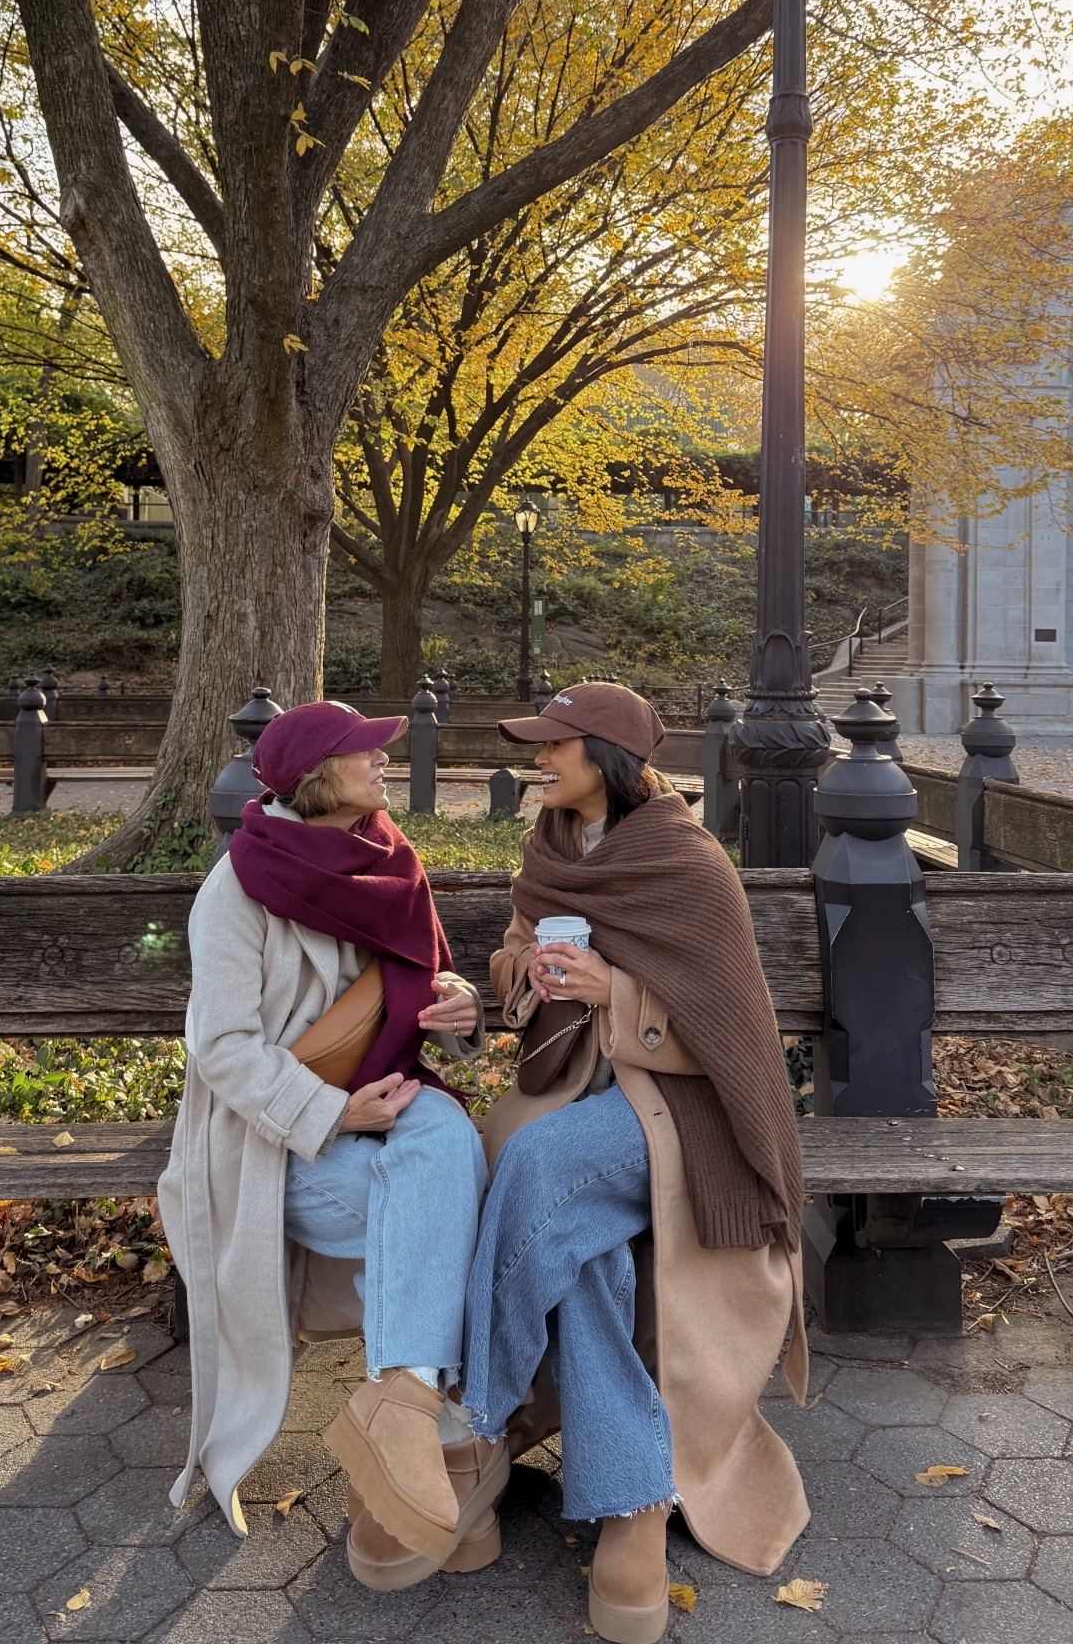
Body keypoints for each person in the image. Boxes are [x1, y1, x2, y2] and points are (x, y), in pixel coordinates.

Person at [463, 682, 809, 1644]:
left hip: (682, 1109)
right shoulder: (551, 849)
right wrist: (524, 972)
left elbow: (733, 1031)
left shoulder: (686, 864)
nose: (537, 760)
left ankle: (471, 1423)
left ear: (604, 757)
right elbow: (509, 959)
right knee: (588, 1258)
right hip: (575, 1087)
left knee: (537, 1170)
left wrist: (618, 990)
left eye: (552, 746)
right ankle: (633, 1504)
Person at [158, 699, 508, 1587]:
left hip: (393, 1101)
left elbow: (424, 981)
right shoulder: (239, 888)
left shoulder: (389, 857)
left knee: (447, 1142)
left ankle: (401, 1411)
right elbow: (222, 1049)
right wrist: (334, 1115)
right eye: (369, 753)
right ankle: (455, 1438)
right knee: (446, 1204)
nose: (386, 763)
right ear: (319, 776)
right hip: (282, 1143)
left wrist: (460, 1007)